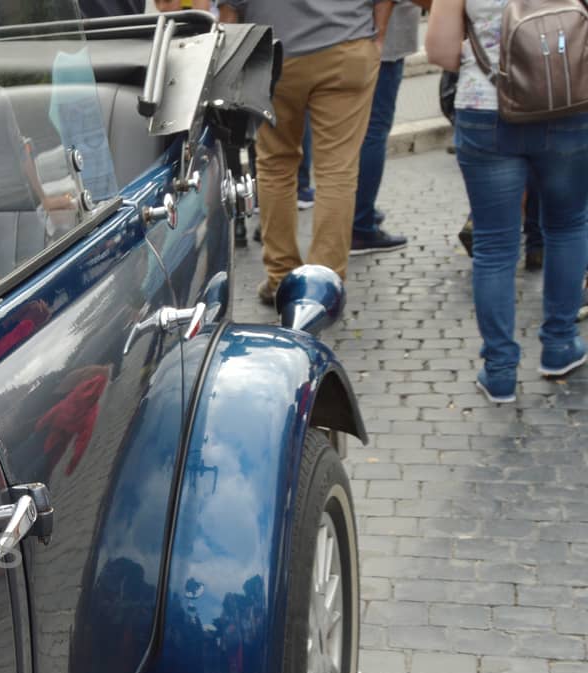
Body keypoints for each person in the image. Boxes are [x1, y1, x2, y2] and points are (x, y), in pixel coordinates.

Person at [427, 0, 588, 402]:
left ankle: (499, 371)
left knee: (496, 246)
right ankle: (559, 345)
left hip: (487, 108)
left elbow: (441, 52)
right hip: (568, 104)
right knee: (567, 225)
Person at [220, 1, 392, 306]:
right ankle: (323, 284)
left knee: (275, 165)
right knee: (337, 170)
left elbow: (230, 10)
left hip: (273, 53)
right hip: (346, 43)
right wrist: (377, 38)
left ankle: (281, 277)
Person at [350, 0, 429, 254]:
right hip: (379, 41)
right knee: (373, 130)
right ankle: (359, 225)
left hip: (353, 36)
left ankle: (358, 213)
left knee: (358, 131)